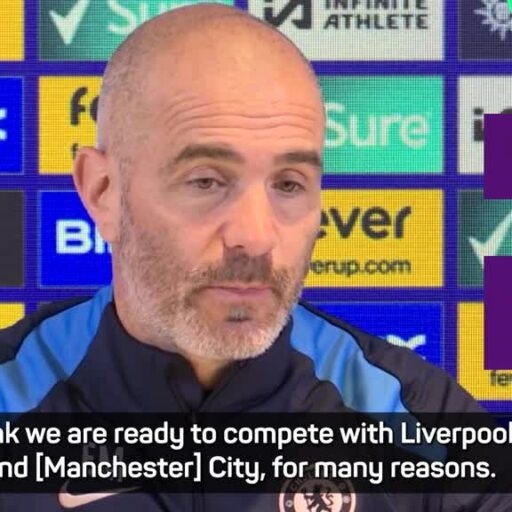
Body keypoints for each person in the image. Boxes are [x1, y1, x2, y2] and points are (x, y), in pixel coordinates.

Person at [0, 3, 510, 511]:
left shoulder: (420, 423)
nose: (256, 236)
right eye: (206, 181)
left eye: (288, 185)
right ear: (103, 192)